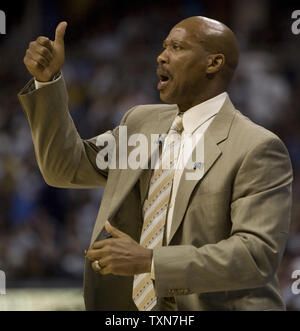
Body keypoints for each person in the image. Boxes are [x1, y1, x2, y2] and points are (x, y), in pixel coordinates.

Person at [18, 16, 293, 311]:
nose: (161, 56)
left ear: (213, 64)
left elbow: (256, 256)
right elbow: (66, 167)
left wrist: (150, 262)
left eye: (177, 47)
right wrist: (47, 81)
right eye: (163, 47)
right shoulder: (140, 122)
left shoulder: (257, 146)